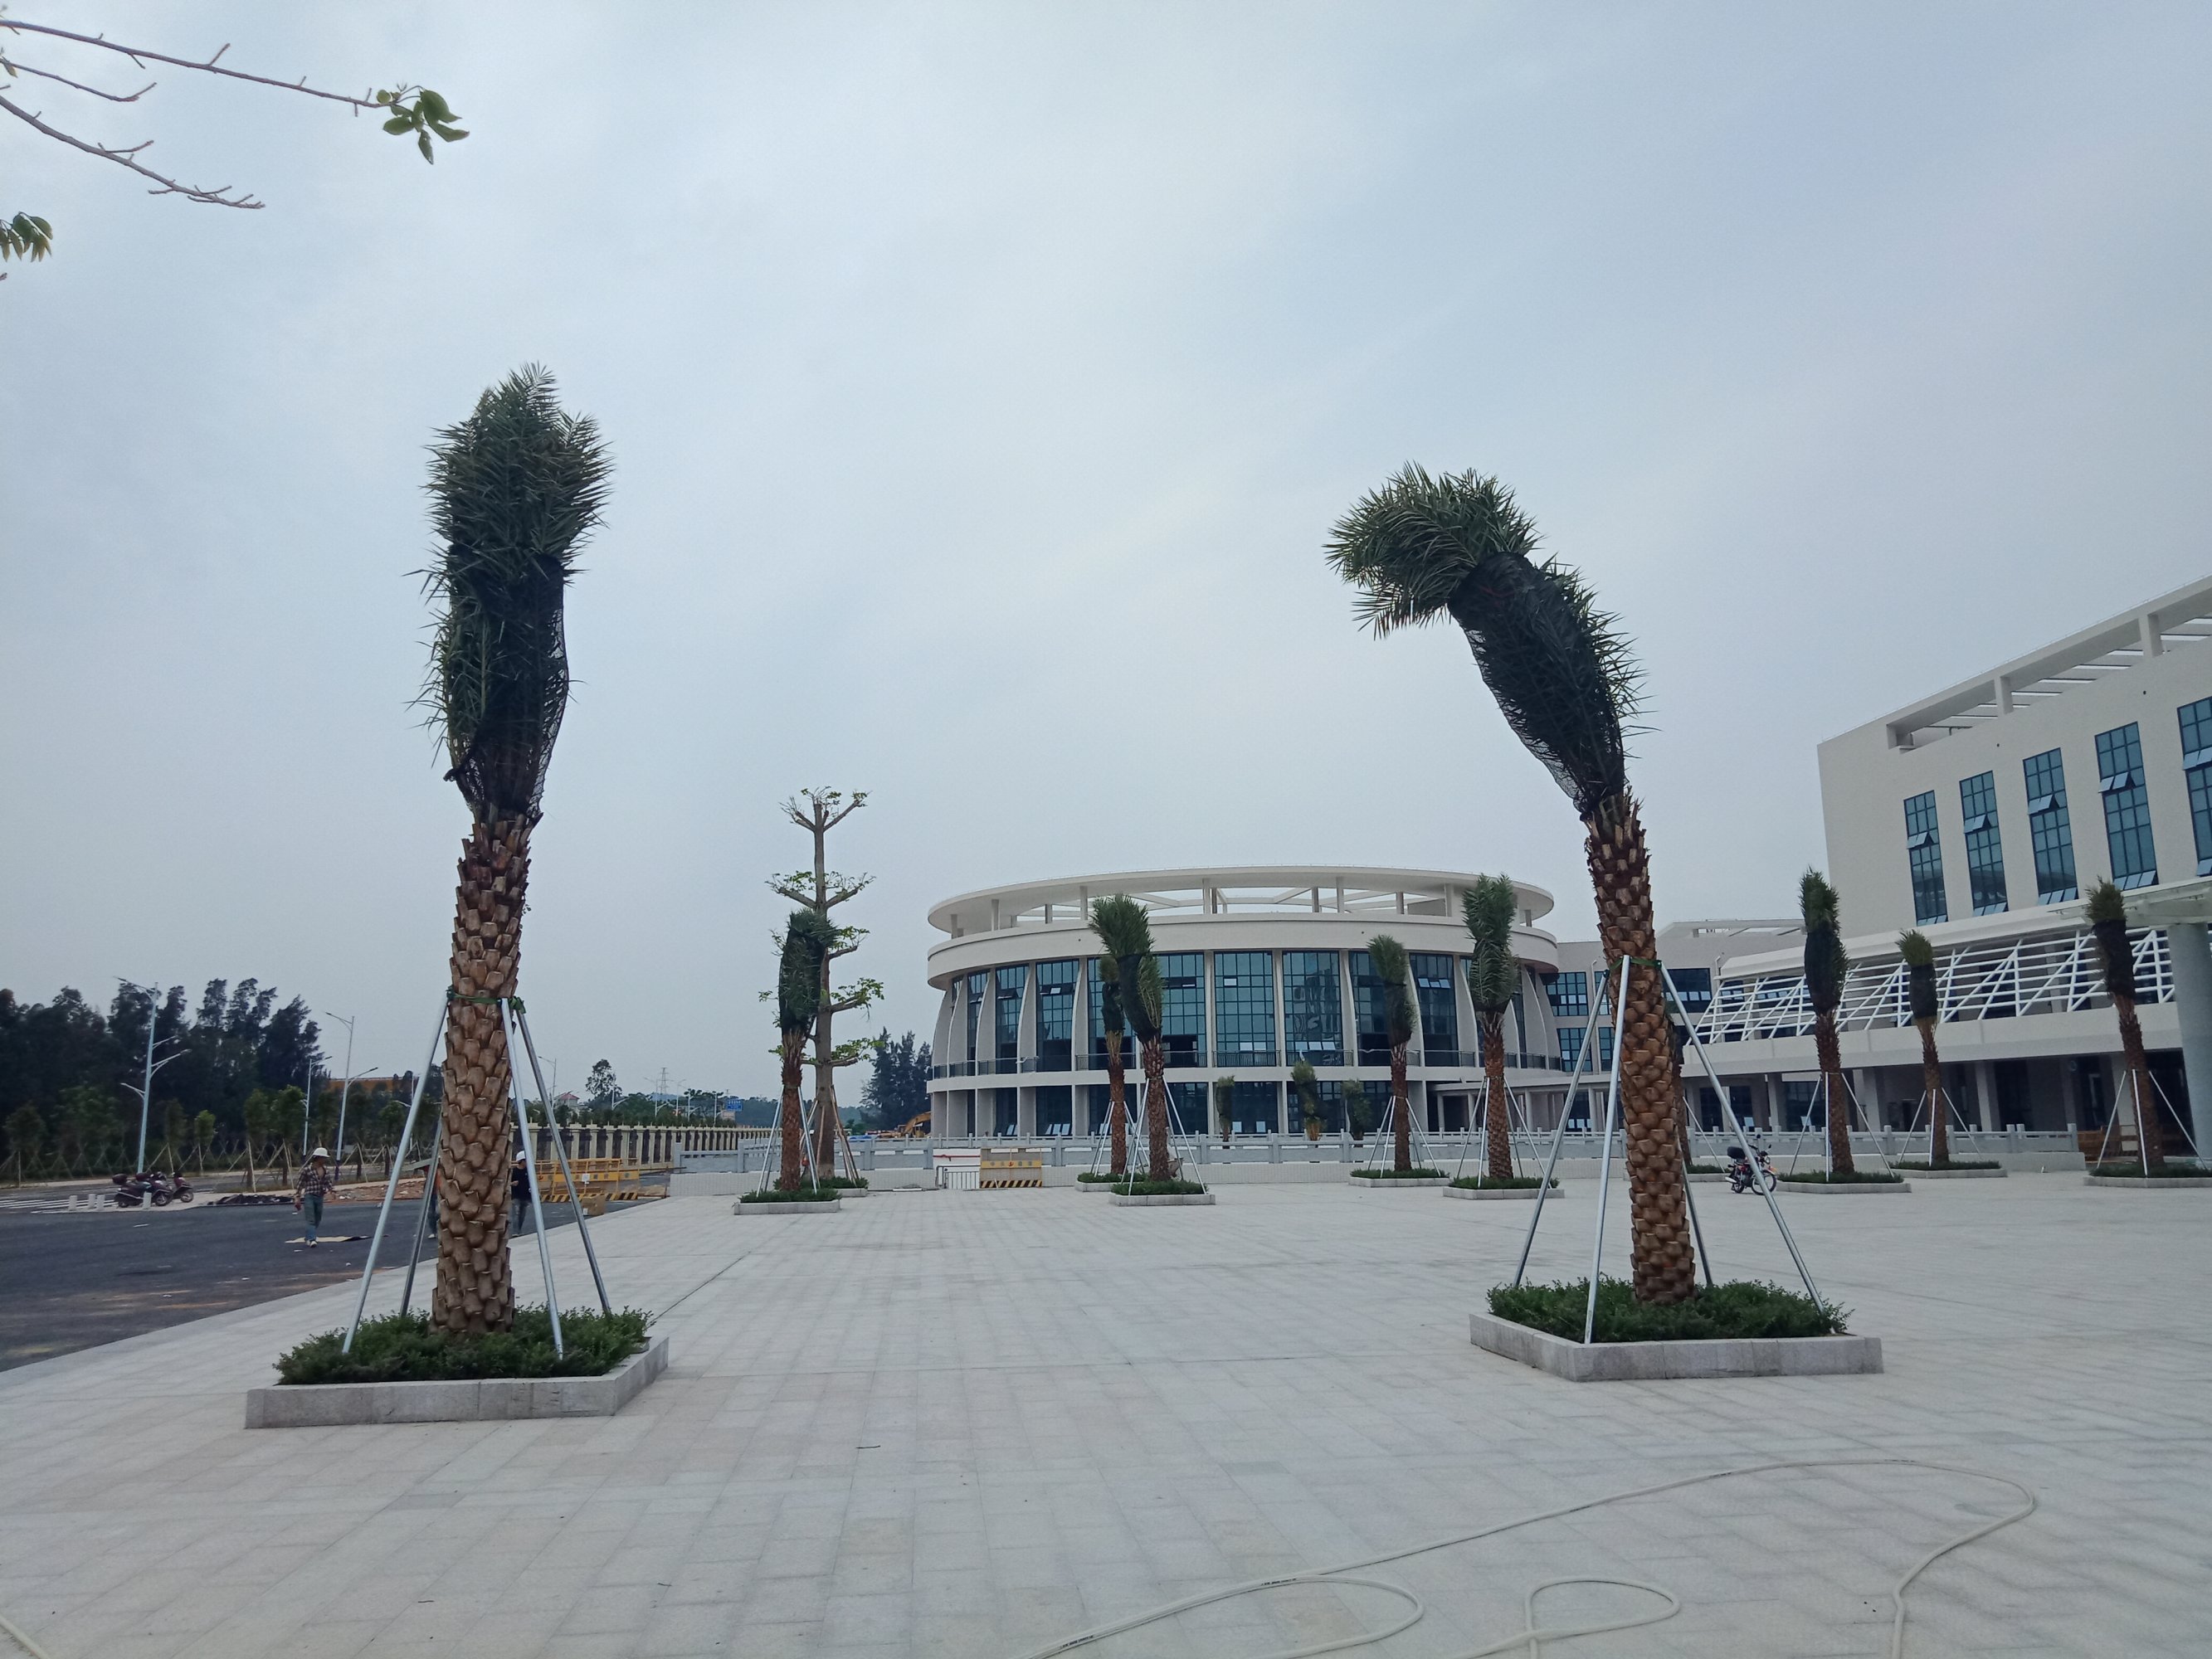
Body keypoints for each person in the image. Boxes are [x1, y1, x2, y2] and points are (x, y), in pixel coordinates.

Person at [295, 1146, 337, 1246]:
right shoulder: (307, 1170)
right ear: (318, 1158)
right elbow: (300, 1184)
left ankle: (309, 1236)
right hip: (309, 1196)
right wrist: (297, 1197)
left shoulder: (325, 1170)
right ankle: (312, 1239)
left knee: (318, 1218)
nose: (325, 1160)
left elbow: (328, 1182)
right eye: (323, 1158)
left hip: (319, 1196)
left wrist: (332, 1191)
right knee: (311, 1219)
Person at [509, 1154, 534, 1238]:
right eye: (526, 1160)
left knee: (522, 1215)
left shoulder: (529, 1171)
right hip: (516, 1196)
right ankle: (515, 1231)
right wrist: (512, 1183)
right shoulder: (514, 1171)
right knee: (516, 1214)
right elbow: (507, 1182)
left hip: (525, 1196)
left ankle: (519, 1230)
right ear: (521, 1161)